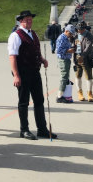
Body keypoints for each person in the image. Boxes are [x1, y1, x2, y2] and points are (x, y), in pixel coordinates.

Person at [8, 10, 57, 140]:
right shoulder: (16, 36)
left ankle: (42, 129)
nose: (29, 21)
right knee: (23, 102)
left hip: (35, 71)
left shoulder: (33, 33)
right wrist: (16, 75)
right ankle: (24, 130)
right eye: (26, 19)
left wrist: (42, 59)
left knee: (39, 100)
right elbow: (12, 57)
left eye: (30, 19)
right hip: (23, 73)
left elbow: (35, 50)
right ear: (20, 21)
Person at [75, 21, 93, 102]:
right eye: (77, 29)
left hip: (86, 57)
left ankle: (89, 93)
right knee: (78, 75)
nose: (78, 31)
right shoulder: (76, 35)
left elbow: (88, 46)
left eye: (80, 29)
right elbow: (73, 43)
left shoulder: (89, 35)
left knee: (88, 76)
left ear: (84, 29)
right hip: (77, 56)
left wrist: (83, 55)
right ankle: (80, 93)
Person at [55, 24, 76, 103]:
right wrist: (69, 51)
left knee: (66, 77)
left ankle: (65, 95)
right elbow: (58, 50)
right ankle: (59, 96)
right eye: (70, 33)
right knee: (64, 77)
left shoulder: (66, 38)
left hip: (66, 59)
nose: (71, 35)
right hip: (63, 59)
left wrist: (71, 49)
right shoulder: (62, 38)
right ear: (66, 31)